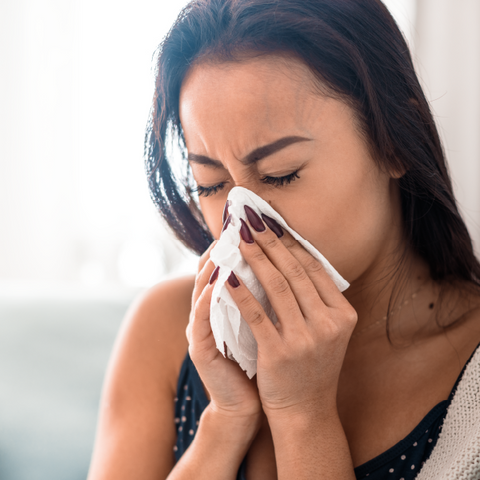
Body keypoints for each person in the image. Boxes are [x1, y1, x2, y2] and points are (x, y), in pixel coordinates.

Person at [87, 0, 480, 479]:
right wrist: (224, 421)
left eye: (281, 174)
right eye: (210, 184)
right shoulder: (166, 330)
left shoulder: (469, 376)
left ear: (394, 141)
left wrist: (303, 415)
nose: (241, 218)